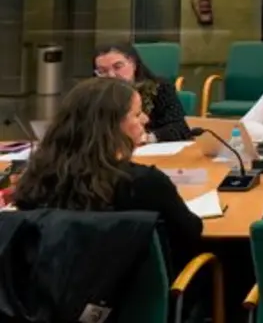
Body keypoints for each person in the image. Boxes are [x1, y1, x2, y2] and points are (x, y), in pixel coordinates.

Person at [12, 78, 203, 274]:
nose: (146, 119)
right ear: (113, 126)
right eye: (137, 114)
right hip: (135, 296)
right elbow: (190, 235)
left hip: (53, 293)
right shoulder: (145, 183)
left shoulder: (37, 178)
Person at [93, 43, 191, 142]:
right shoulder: (93, 96)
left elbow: (181, 128)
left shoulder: (159, 89)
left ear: (133, 64)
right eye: (102, 71)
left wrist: (147, 138)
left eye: (118, 67)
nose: (111, 75)